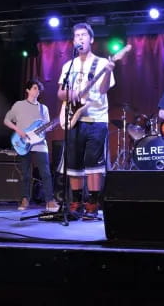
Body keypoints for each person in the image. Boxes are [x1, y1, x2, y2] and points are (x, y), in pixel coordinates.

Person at [57, 22, 115, 220]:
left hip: (96, 119)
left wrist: (107, 71)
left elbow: (104, 89)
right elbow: (60, 93)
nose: (80, 38)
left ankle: (92, 203)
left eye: (84, 35)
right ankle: (75, 202)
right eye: (77, 36)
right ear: (74, 41)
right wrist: (71, 92)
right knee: (73, 164)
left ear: (91, 39)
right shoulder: (68, 65)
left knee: (93, 164)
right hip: (73, 119)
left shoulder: (100, 63)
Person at [4, 79, 59, 212]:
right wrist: (19, 131)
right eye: (35, 88)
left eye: (38, 89)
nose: (37, 91)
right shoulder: (19, 105)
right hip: (22, 143)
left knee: (45, 173)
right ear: (28, 90)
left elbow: (46, 126)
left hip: (40, 143)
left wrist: (51, 126)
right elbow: (6, 120)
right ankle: (25, 199)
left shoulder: (43, 108)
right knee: (26, 174)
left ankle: (50, 201)